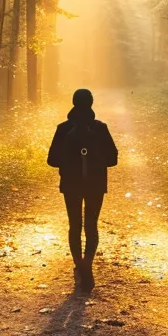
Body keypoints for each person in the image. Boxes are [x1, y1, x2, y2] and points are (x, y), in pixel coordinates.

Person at [46, 89, 118, 294]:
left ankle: (79, 265)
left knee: (74, 225)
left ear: (73, 103)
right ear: (92, 103)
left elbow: (51, 160)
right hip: (95, 184)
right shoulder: (100, 128)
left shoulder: (63, 128)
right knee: (91, 225)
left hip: (71, 184)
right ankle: (88, 265)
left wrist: (70, 162)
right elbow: (113, 159)